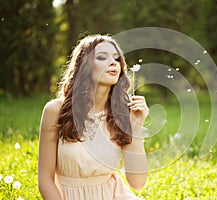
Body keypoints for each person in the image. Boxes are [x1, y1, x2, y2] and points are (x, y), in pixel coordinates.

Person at [38, 34, 148, 199]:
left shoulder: (122, 114)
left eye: (117, 59)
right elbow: (45, 180)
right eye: (102, 57)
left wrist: (136, 127)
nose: (113, 63)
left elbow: (137, 183)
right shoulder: (56, 111)